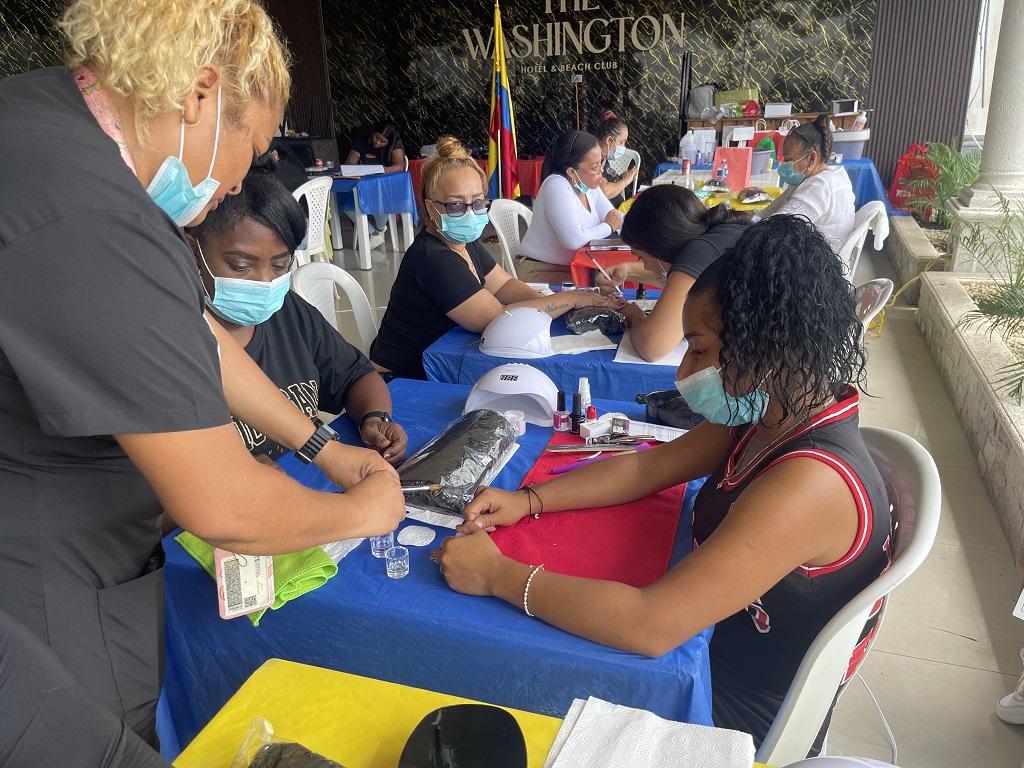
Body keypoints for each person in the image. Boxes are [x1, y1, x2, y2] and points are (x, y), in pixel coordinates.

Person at [0, 0, 404, 747]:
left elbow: (192, 340)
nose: (240, 177)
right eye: (249, 145)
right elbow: (222, 503)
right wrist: (363, 514)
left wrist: (324, 447)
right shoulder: (92, 209)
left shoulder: (42, 124)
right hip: (41, 585)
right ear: (199, 93)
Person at [433, 215, 892, 752]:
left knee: (503, 676)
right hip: (713, 645)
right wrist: (527, 500)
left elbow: (650, 625)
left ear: (773, 348)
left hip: (734, 708)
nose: (683, 373)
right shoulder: (776, 406)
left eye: (698, 349)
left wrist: (496, 575)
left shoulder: (811, 482)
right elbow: (646, 467)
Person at [187, 165, 408, 464]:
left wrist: (374, 418)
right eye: (241, 266)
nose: (265, 282)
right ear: (193, 251)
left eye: (279, 265)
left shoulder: (288, 312)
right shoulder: (177, 342)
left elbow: (356, 375)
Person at [370, 137, 622, 380]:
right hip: (404, 378)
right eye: (456, 205)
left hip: (444, 360)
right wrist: (569, 299)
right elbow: (495, 318)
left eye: (478, 203)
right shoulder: (434, 258)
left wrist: (552, 303)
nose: (470, 213)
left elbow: (504, 285)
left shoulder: (463, 242)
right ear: (429, 207)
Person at [596, 185, 749, 362]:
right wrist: (627, 270)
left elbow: (653, 347)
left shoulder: (699, 253)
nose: (645, 267)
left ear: (657, 247)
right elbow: (679, 276)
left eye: (640, 258)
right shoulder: (720, 235)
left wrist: (634, 315)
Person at [516, 130, 623, 285]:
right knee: (601, 291)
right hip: (539, 271)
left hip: (572, 267)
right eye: (594, 167)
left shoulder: (588, 186)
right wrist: (608, 227)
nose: (601, 171)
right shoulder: (557, 185)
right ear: (572, 172)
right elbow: (573, 240)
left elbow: (614, 216)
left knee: (614, 281)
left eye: (601, 163)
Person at [761, 114, 856, 252]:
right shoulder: (823, 176)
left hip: (819, 263)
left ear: (811, 157)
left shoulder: (820, 186)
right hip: (814, 254)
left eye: (788, 160)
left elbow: (774, 228)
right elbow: (769, 213)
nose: (783, 166)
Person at [344, 122, 406, 249]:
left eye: (383, 142)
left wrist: (380, 170)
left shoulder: (396, 144)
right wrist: (356, 169)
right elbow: (350, 162)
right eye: (376, 137)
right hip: (362, 185)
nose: (377, 143)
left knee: (380, 200)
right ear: (372, 133)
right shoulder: (362, 142)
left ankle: (379, 228)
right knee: (345, 203)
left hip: (385, 187)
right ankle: (374, 233)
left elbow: (400, 166)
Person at [594, 111, 638, 207]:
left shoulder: (604, 159)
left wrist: (621, 177)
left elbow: (607, 180)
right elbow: (605, 192)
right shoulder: (595, 161)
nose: (623, 147)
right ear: (609, 140)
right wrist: (625, 181)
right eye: (621, 142)